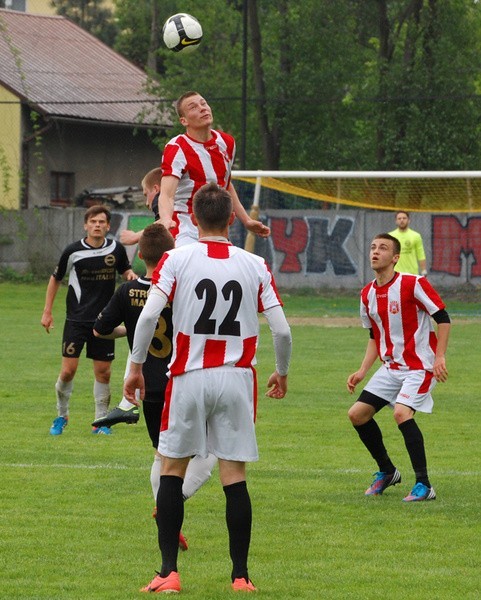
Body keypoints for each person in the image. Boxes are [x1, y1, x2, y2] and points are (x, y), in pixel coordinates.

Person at [124, 182, 292, 594]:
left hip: (189, 377)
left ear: (192, 217)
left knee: (172, 470)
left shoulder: (176, 259)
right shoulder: (254, 264)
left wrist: (135, 367)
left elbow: (147, 319)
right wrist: (282, 373)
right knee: (233, 477)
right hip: (237, 378)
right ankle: (240, 576)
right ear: (233, 219)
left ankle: (168, 573)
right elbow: (283, 330)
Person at [93, 223, 216, 550]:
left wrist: (129, 331)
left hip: (148, 387)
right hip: (185, 382)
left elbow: (101, 330)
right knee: (210, 451)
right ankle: (170, 506)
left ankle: (167, 512)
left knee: (162, 456)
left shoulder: (126, 291)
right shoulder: (184, 289)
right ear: (171, 253)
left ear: (140, 256)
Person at [346, 233, 450, 502]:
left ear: (395, 258)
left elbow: (443, 318)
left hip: (420, 366)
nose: (375, 252)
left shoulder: (413, 283)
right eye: (372, 247)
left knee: (402, 414)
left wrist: (440, 357)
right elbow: (374, 337)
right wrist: (361, 371)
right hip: (391, 367)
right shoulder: (367, 294)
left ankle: (424, 485)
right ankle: (388, 471)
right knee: (357, 414)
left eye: (382, 248)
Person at [120, 90, 270, 247]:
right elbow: (167, 194)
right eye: (193, 107)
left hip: (216, 227)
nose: (202, 108)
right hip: (186, 227)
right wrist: (165, 219)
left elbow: (226, 185)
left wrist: (246, 220)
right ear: (184, 121)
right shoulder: (177, 147)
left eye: (204, 103)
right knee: (187, 267)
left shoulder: (227, 142)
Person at [41, 205, 136, 436]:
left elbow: (126, 273)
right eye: (93, 221)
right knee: (67, 372)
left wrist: (131, 277)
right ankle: (61, 415)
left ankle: (100, 422)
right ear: (86, 225)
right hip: (76, 320)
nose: (97, 225)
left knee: (103, 372)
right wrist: (47, 311)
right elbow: (56, 278)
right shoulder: (72, 251)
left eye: (102, 222)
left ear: (108, 226)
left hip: (104, 322)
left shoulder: (116, 249)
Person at [93, 167, 162, 428]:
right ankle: (127, 404)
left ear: (156, 188)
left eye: (146, 193)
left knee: (140, 321)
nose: (146, 201)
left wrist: (136, 236)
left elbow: (164, 228)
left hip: (172, 275)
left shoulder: (163, 201)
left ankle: (128, 403)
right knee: (141, 326)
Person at [389, 210, 427, 275]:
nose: (402, 220)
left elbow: (421, 254)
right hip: (395, 273)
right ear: (396, 221)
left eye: (404, 218)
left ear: (409, 220)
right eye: (399, 218)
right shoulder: (390, 236)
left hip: (412, 272)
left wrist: (423, 270)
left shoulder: (416, 236)